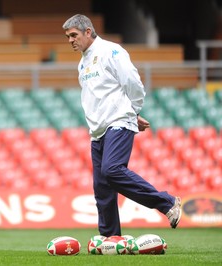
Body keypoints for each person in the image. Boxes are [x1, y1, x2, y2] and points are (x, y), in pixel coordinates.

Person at [62, 14, 182, 237]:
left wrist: (132, 111)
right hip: (98, 130)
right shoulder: (82, 63)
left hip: (117, 122)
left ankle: (167, 202)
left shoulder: (111, 51)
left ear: (88, 32)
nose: (70, 40)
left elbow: (132, 82)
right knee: (102, 189)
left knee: (112, 170)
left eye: (73, 35)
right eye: (68, 37)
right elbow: (100, 96)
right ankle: (110, 238)